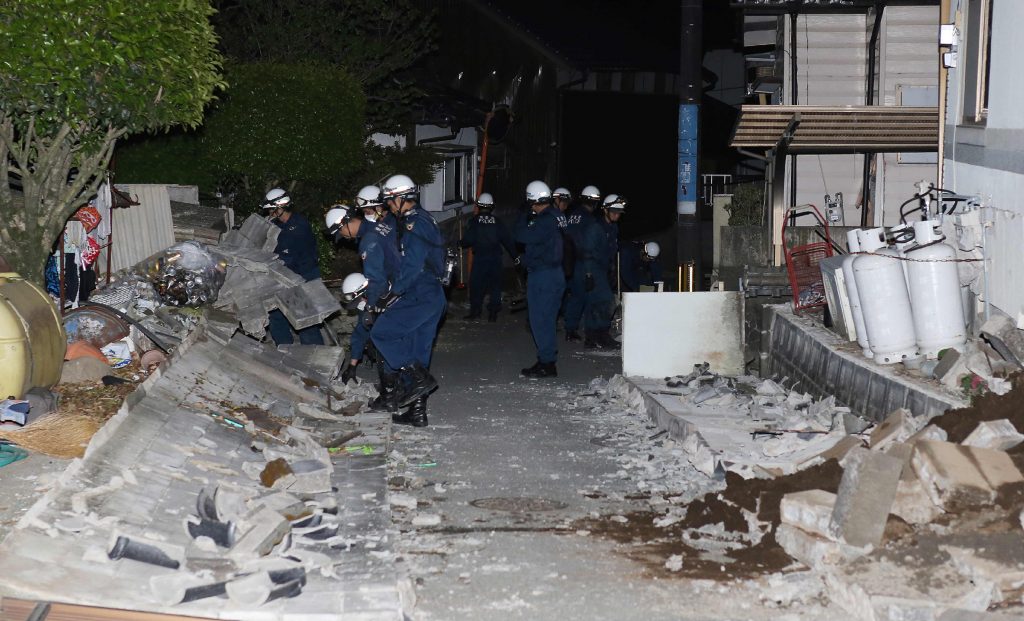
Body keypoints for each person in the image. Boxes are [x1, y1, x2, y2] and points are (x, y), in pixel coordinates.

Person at [369, 174, 447, 427]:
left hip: (419, 291)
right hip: (432, 294)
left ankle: (419, 379)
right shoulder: (423, 219)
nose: (390, 207)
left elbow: (413, 264)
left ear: (402, 198)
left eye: (391, 201)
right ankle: (417, 413)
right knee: (418, 352)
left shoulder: (415, 224)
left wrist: (394, 291)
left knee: (382, 333)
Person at [325, 198, 400, 389]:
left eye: (341, 232)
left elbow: (377, 279)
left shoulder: (370, 239)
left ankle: (394, 388)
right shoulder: (375, 230)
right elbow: (359, 333)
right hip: (392, 291)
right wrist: (352, 366)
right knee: (375, 336)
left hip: (398, 295)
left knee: (386, 341)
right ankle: (392, 386)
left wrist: (373, 308)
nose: (345, 238)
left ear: (344, 222)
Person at [515, 180, 567, 378]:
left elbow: (521, 236)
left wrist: (523, 214)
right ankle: (547, 359)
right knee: (548, 318)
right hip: (556, 273)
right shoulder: (558, 215)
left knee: (540, 320)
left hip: (544, 275)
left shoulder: (544, 220)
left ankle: (546, 363)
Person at [264, 188, 325, 346]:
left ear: (280, 207)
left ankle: (315, 356)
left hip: (303, 276)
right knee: (276, 315)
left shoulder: (299, 226)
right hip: (285, 276)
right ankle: (285, 350)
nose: (269, 212)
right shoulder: (278, 224)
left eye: (271, 209)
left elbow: (288, 256)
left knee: (305, 321)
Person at [460, 192, 517, 322]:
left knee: (476, 286)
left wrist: (460, 243)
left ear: (479, 206)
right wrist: (516, 257)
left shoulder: (474, 221)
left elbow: (468, 240)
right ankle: (493, 314)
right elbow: (508, 241)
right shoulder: (498, 222)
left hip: (480, 259)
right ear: (492, 207)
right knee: (495, 286)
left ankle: (475, 312)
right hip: (495, 259)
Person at [581, 193, 626, 349]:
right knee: (605, 300)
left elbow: (612, 251)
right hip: (592, 267)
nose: (616, 215)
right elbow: (587, 251)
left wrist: (613, 269)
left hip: (603, 268)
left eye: (619, 212)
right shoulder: (595, 227)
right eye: (613, 211)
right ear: (605, 210)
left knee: (595, 303)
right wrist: (588, 274)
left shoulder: (613, 228)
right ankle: (601, 335)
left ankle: (591, 338)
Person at [562, 185, 601, 342]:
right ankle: (571, 329)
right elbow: (588, 244)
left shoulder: (571, 215)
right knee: (581, 296)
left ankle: (571, 325)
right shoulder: (589, 219)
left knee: (569, 294)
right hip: (581, 262)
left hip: (566, 260)